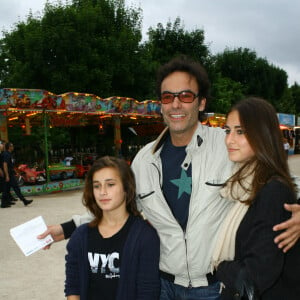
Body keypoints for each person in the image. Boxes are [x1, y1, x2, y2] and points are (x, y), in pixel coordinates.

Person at [38, 56, 300, 299]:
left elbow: (272, 178)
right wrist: (65, 229)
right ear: (160, 104)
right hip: (161, 285)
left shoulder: (228, 146)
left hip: (213, 286)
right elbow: (119, 204)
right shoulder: (144, 160)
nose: (176, 104)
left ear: (201, 102)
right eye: (167, 96)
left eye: (185, 96)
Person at [211, 97, 300, 299]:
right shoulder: (245, 184)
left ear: (262, 135)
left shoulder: (273, 191)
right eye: (228, 130)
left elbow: (255, 275)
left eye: (240, 131)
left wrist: (221, 266)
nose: (229, 139)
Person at [64, 156, 160, 300]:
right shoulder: (80, 236)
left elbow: (147, 291)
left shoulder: (144, 236)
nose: (102, 192)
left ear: (126, 188)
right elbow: (73, 286)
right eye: (96, 186)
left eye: (110, 184)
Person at [2, 142, 33, 207]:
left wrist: (16, 173)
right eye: (12, 146)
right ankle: (24, 201)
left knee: (6, 189)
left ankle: (4, 203)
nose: (13, 147)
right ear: (9, 147)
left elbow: (10, 166)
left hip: (10, 173)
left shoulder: (9, 154)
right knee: (15, 187)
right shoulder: (6, 154)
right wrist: (7, 175)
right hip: (8, 174)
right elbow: (5, 165)